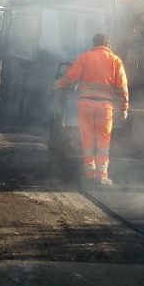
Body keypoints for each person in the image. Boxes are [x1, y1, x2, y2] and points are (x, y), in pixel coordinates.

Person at [53, 33, 129, 186]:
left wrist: (57, 84)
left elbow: (71, 78)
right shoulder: (116, 61)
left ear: (94, 44)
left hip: (86, 105)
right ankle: (101, 175)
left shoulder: (85, 57)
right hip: (105, 108)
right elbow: (122, 88)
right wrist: (124, 109)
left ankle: (89, 173)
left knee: (87, 138)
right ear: (108, 45)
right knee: (103, 140)